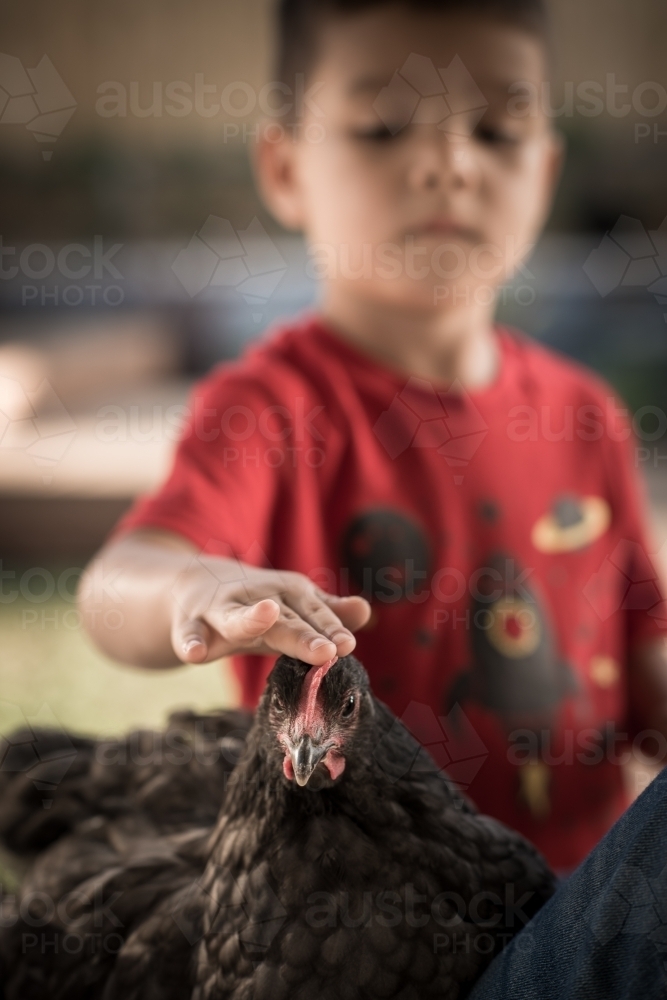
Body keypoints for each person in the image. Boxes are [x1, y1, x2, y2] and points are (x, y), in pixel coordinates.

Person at [79, 0, 667, 874]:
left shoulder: (585, 415)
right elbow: (114, 588)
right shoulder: (271, 409)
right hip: (358, 924)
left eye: (496, 131)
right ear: (283, 169)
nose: (448, 163)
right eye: (384, 127)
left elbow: (640, 667)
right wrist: (195, 589)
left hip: (577, 911)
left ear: (544, 173)